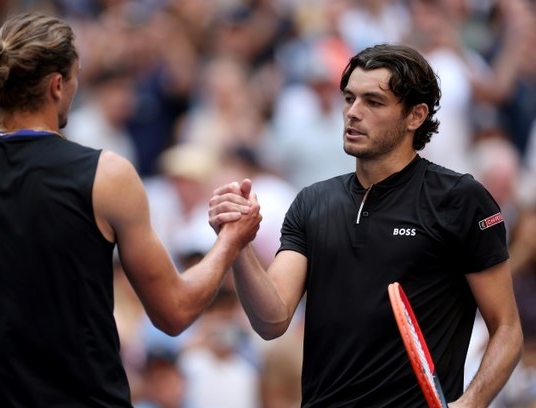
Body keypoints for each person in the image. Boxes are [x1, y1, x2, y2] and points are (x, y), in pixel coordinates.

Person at [0, 11, 261, 407]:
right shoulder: (108, 176)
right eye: (75, 77)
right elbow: (174, 311)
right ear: (57, 84)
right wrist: (230, 241)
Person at [209, 43, 523, 407]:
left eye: (373, 102)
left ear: (415, 116)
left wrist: (470, 403)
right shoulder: (313, 201)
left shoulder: (460, 198)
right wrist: (239, 245)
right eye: (349, 99)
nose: (353, 113)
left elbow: (507, 329)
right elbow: (272, 320)